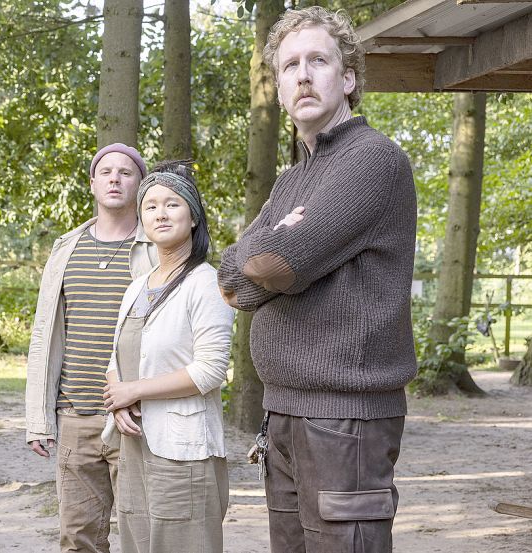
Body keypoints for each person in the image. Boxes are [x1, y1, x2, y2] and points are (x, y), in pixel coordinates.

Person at [217, 7, 417, 552]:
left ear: (348, 78)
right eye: (289, 66)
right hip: (283, 410)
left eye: (318, 61)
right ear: (279, 87)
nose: (303, 75)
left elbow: (277, 262)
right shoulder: (293, 179)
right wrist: (270, 254)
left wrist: (275, 253)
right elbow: (232, 280)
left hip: (344, 419)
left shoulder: (373, 160)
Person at [25, 143, 156, 553]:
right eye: (106, 172)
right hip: (75, 416)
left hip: (137, 419)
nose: (115, 178)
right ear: (92, 184)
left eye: (126, 172)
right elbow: (44, 336)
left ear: (140, 184)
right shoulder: (67, 248)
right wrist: (38, 418)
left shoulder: (156, 250)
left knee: (146, 536)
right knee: (78, 540)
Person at [102, 161, 234, 553]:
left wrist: (134, 391)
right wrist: (117, 401)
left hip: (183, 448)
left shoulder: (206, 283)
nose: (160, 213)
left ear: (193, 216)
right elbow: (116, 358)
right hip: (135, 444)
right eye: (150, 206)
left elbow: (210, 371)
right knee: (137, 542)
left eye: (172, 204)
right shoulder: (137, 286)